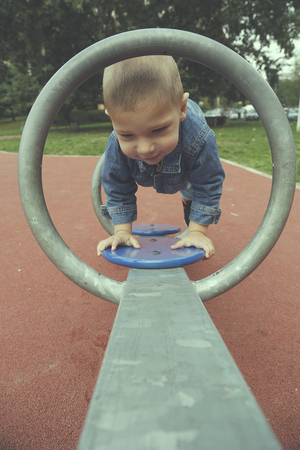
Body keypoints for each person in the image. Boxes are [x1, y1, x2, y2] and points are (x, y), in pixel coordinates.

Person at [97, 55, 225, 259]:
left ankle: (187, 198)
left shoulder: (200, 138)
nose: (146, 149)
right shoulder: (115, 143)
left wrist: (197, 232)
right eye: (127, 134)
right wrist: (122, 231)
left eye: (158, 130)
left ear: (182, 108)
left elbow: (208, 184)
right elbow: (117, 186)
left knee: (193, 186)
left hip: (186, 162)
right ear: (112, 119)